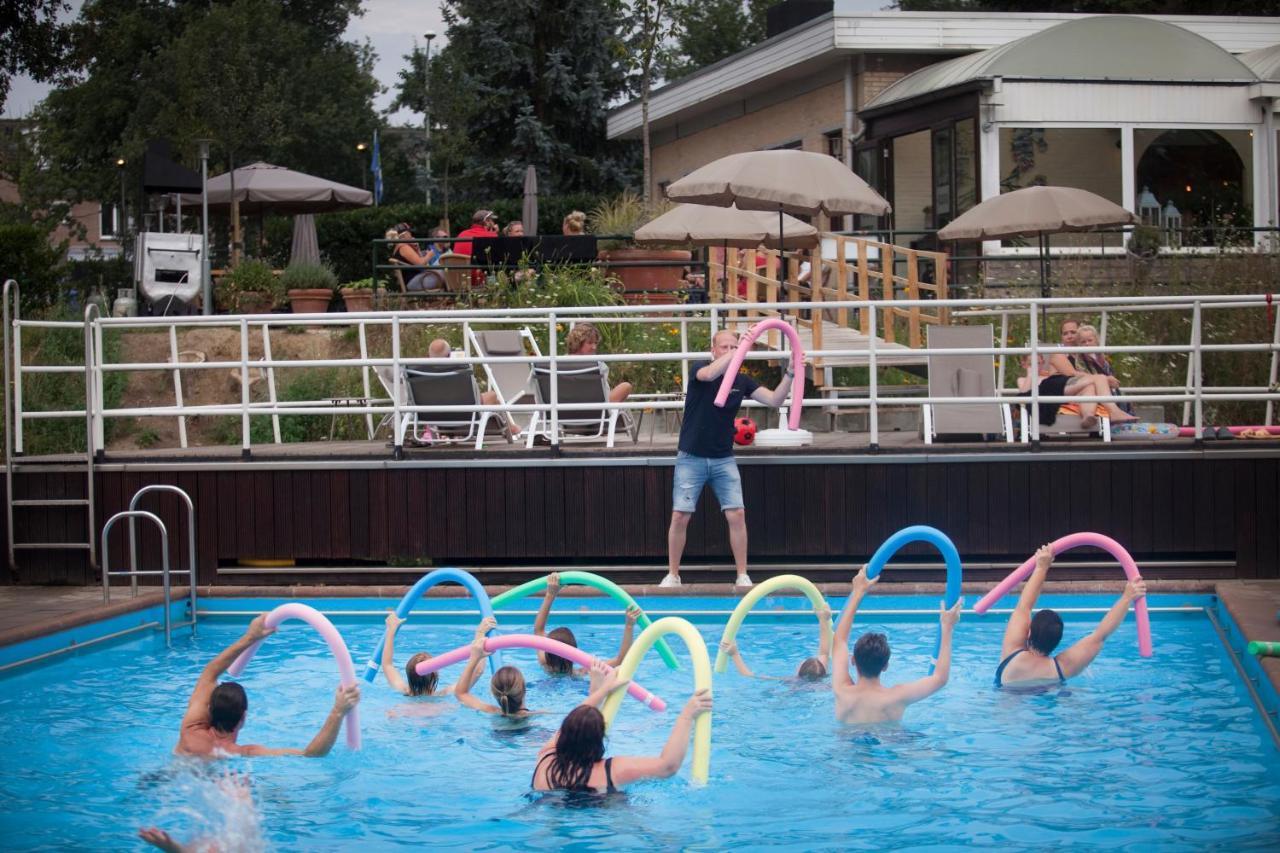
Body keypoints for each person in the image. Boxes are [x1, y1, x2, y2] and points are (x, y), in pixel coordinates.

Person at [662, 329, 797, 589]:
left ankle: (742, 574)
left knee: (737, 513)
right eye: (724, 347)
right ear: (713, 350)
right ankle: (673, 574)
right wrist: (736, 353)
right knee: (680, 515)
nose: (729, 350)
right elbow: (711, 373)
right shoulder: (700, 370)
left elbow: (774, 399)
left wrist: (790, 373)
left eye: (734, 346)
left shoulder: (742, 381)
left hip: (723, 458)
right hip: (691, 456)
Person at [175, 614, 360, 758]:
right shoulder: (243, 753)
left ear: (209, 709)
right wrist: (338, 710)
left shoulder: (189, 731)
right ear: (243, 718)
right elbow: (311, 754)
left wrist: (250, 637)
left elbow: (210, 672)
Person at [532, 660, 713, 794]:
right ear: (600, 739)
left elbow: (574, 721)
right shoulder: (612, 770)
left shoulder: (545, 760)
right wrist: (687, 715)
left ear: (563, 734)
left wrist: (601, 691)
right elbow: (668, 766)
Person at [995, 544, 1148, 688]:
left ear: (1028, 632)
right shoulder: (1062, 667)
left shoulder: (1012, 651)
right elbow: (1100, 635)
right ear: (1058, 641)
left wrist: (1042, 566)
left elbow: (1024, 607)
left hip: (1008, 705)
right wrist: (1127, 597)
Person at [831, 567, 960, 724]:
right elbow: (940, 679)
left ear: (853, 660)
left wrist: (857, 592)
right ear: (885, 666)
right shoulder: (896, 697)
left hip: (847, 745)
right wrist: (947, 627)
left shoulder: (842, 691)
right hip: (888, 743)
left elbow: (839, 641)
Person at [533, 572, 641, 675]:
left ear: (547, 652)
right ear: (575, 655)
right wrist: (629, 626)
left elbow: (538, 630)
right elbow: (620, 660)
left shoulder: (543, 662)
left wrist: (550, 594)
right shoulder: (581, 672)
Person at [455, 617, 544, 718]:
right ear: (524, 689)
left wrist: (474, 657)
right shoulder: (538, 715)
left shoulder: (490, 711)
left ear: (493, 692)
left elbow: (461, 693)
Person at [718, 603, 832, 680]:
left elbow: (750, 676)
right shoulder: (820, 680)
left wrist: (735, 654)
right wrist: (823, 619)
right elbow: (824, 653)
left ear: (798, 672)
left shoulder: (792, 682)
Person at [380, 611, 462, 697]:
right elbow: (475, 673)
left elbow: (387, 665)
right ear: (435, 674)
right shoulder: (443, 695)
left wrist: (391, 629)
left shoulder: (402, 689)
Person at [564, 322, 633, 404]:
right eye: (590, 343)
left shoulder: (557, 364)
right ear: (577, 343)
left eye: (595, 343)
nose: (594, 347)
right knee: (626, 386)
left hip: (562, 410)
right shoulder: (597, 364)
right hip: (598, 410)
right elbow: (604, 395)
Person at [1074, 323, 1134, 415]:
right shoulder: (1079, 359)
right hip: (1093, 389)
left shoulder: (1100, 356)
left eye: (1090, 340)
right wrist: (1107, 380)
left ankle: (1126, 418)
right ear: (1079, 344)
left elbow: (1109, 372)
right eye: (1083, 342)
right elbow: (1084, 377)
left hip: (1108, 387)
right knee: (1112, 395)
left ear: (1096, 341)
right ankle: (1117, 418)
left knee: (1122, 396)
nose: (1087, 344)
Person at [389, 222, 445, 292]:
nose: (411, 235)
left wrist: (417, 249)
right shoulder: (403, 247)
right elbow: (421, 264)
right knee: (447, 266)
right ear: (405, 234)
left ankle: (456, 293)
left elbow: (422, 265)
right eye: (410, 233)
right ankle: (457, 293)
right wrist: (430, 254)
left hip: (418, 279)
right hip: (415, 283)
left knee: (447, 266)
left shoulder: (400, 246)